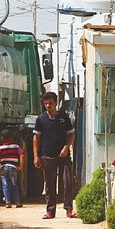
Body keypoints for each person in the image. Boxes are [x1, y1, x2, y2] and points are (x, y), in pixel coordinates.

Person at [33, 91, 76, 219]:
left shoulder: (63, 118)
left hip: (63, 156)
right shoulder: (41, 119)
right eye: (45, 103)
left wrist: (67, 147)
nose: (48, 106)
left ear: (56, 103)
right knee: (49, 184)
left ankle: (69, 209)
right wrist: (36, 156)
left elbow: (72, 134)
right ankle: (50, 211)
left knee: (67, 182)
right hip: (47, 156)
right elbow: (36, 138)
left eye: (50, 103)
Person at [0, 132, 25, 208]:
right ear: (12, 138)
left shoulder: (1, 148)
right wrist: (20, 166)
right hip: (13, 167)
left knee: (5, 185)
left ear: (2, 138)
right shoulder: (16, 147)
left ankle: (8, 203)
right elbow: (22, 155)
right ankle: (18, 202)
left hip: (3, 168)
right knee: (14, 185)